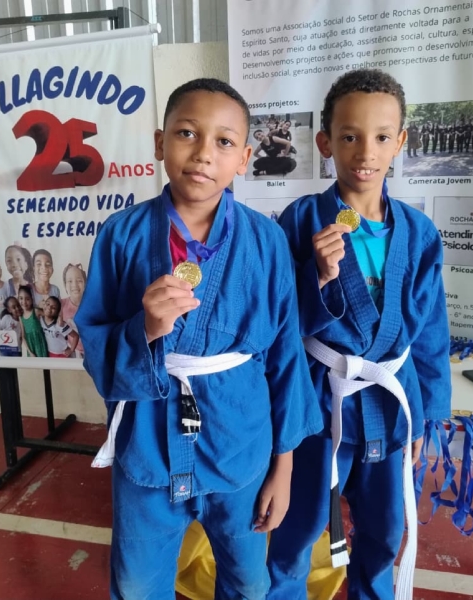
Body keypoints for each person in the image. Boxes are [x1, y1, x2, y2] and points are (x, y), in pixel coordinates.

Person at [75, 77, 322, 600]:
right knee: (136, 586)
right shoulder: (120, 234)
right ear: (160, 141)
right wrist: (143, 330)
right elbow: (94, 342)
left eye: (224, 141)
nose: (204, 153)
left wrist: (283, 468)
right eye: (187, 133)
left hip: (241, 445)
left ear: (245, 158)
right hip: (148, 448)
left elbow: (285, 355)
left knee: (247, 583)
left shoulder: (267, 240)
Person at [267, 69, 452, 600]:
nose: (365, 152)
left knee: (384, 531)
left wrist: (426, 417)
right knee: (297, 529)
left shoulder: (419, 233)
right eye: (349, 136)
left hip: (392, 408)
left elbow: (431, 334)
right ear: (325, 142)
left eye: (380, 136)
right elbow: (280, 325)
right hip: (319, 407)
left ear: (400, 141)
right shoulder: (300, 220)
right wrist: (319, 277)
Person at [17, 285, 47, 357]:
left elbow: (49, 316)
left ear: (32, 299)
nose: (24, 302)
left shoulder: (36, 311)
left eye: (27, 299)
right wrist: (30, 352)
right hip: (31, 348)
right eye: (21, 298)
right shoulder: (21, 317)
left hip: (41, 345)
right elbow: (23, 337)